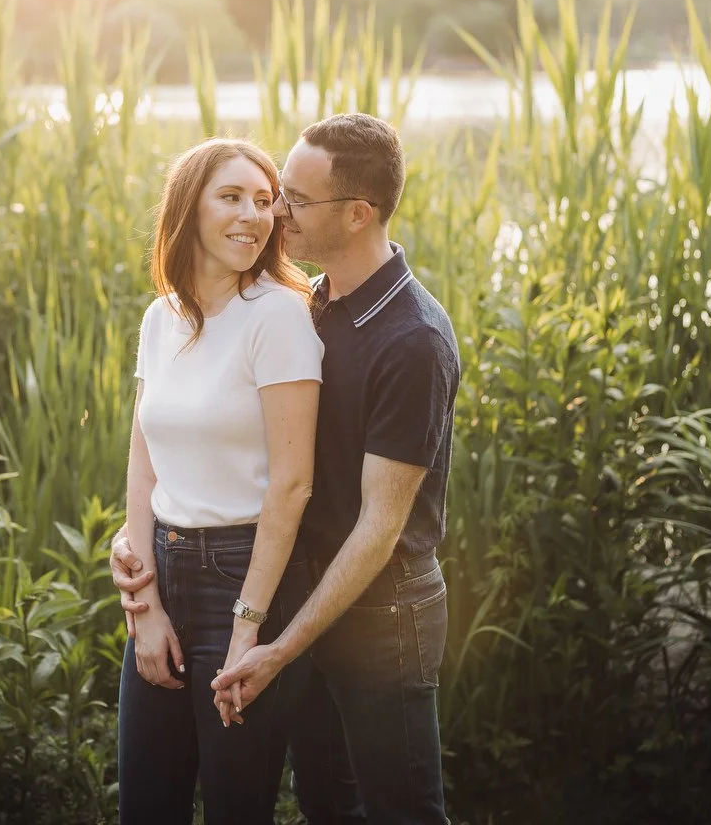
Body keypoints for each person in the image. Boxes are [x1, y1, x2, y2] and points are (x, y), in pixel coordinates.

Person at [113, 113, 461, 824]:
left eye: (289, 199)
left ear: (358, 213)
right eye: (274, 194)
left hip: (379, 608)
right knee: (326, 803)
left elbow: (377, 529)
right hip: (298, 582)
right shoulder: (318, 300)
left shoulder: (412, 340)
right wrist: (139, 548)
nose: (274, 213)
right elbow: (192, 439)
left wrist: (272, 642)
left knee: (402, 811)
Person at [117, 137, 325, 825]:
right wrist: (142, 604)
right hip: (164, 571)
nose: (253, 216)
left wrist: (247, 627)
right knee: (148, 803)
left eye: (265, 201)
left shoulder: (278, 316)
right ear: (189, 209)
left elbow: (292, 486)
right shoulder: (160, 317)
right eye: (231, 197)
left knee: (238, 808)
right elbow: (145, 458)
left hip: (247, 575)